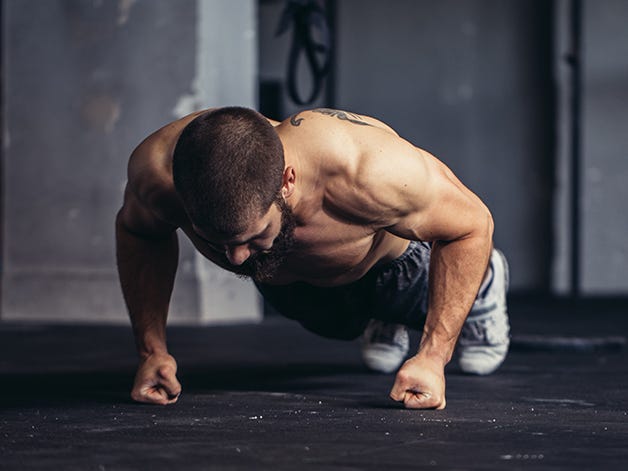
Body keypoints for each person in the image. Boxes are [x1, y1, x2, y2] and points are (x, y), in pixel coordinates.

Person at [116, 106, 510, 410]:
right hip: (298, 289)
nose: (236, 260)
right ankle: (379, 321)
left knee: (418, 293)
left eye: (252, 238)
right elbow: (140, 233)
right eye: (217, 242)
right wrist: (151, 351)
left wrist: (433, 357)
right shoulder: (157, 173)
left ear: (286, 182)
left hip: (394, 273)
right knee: (336, 327)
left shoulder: (366, 169)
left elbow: (471, 224)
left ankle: (487, 280)